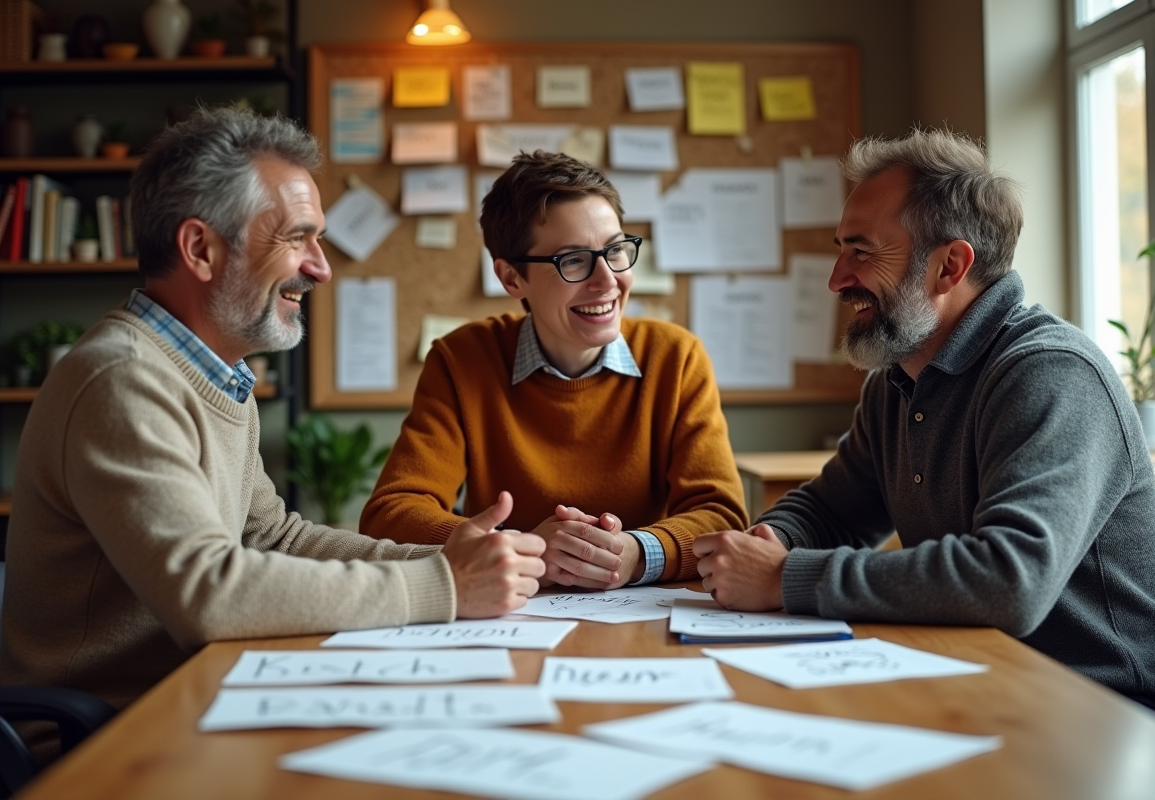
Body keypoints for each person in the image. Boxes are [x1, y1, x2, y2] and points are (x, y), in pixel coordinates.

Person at [0, 108, 547, 726]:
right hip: (104, 742)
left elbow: (274, 537)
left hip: (191, 704)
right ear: (200, 249)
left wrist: (447, 563)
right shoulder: (122, 380)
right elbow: (209, 593)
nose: (320, 266)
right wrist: (444, 588)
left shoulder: (215, 375)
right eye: (296, 238)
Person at [693, 128, 1155, 699]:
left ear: (950, 265)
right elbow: (833, 513)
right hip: (972, 674)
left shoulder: (1051, 373)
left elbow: (1010, 581)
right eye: (840, 249)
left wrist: (785, 578)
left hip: (1095, 708)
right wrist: (772, 540)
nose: (836, 278)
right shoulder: (899, 376)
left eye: (861, 251)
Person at [360, 150, 747, 588]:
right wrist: (522, 549)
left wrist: (639, 553)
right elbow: (389, 516)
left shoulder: (676, 357)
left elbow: (723, 515)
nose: (608, 280)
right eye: (574, 260)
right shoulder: (462, 360)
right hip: (509, 612)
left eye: (616, 250)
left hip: (644, 618)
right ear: (511, 278)